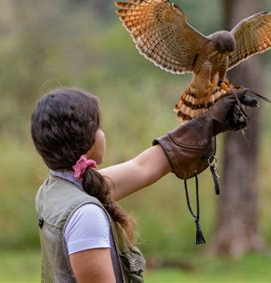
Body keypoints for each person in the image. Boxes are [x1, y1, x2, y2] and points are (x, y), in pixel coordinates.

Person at [31, 87, 255, 283]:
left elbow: (142, 168)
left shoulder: (55, 189)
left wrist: (206, 123)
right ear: (87, 141)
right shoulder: (85, 215)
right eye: (98, 127)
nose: (102, 133)